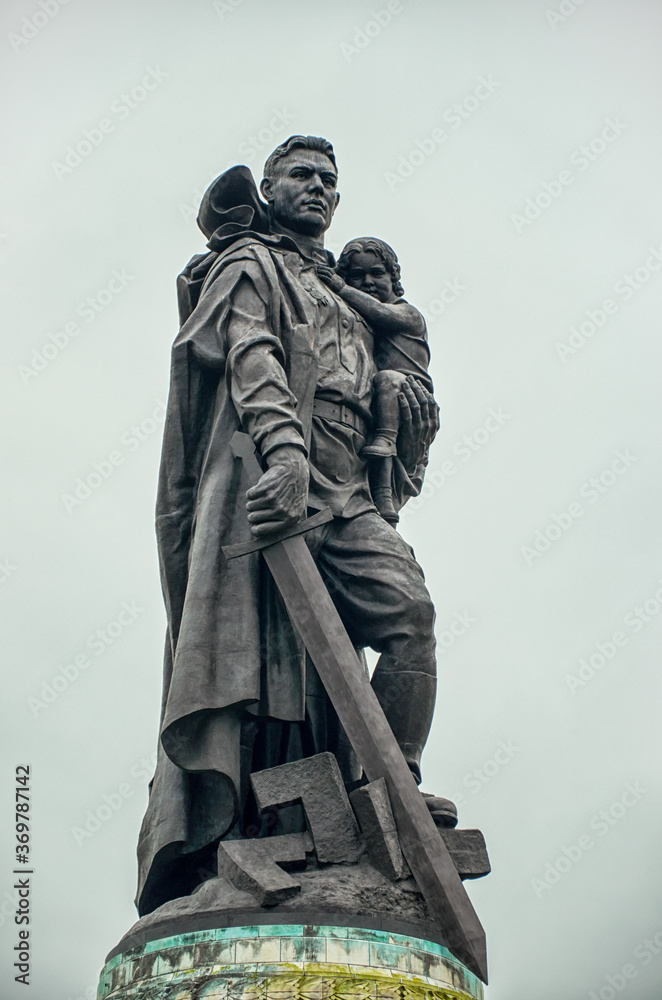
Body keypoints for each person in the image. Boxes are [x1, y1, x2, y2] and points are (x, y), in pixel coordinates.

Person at [135, 136, 440, 917]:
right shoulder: (249, 261)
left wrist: (407, 403)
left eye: (330, 180)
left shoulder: (345, 286)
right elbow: (251, 353)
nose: (318, 188)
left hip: (350, 490)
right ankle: (240, 833)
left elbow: (396, 370)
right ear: (270, 188)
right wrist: (282, 450)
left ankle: (390, 791)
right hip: (276, 476)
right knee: (262, 667)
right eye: (301, 175)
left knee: (409, 617)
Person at [316, 238, 431, 525]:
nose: (367, 281)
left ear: (393, 277)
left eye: (377, 274)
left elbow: (379, 312)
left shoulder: (408, 313)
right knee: (380, 455)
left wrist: (341, 288)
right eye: (357, 275)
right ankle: (384, 503)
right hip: (382, 398)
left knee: (386, 385)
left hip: (406, 386)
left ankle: (387, 438)